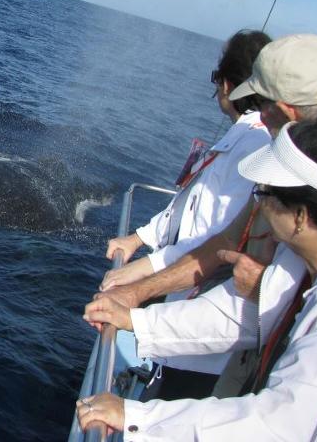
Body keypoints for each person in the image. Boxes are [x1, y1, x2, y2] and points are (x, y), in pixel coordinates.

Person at [77, 116, 317, 440]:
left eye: (264, 194)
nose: (257, 206)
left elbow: (276, 424)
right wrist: (137, 321)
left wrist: (139, 416)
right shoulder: (300, 260)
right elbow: (245, 317)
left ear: (300, 217)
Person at [98, 34, 317, 316]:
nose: (262, 115)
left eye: (266, 105)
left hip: (209, 307)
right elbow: (209, 216)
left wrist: (142, 286)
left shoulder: (259, 148)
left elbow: (223, 238)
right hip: (196, 302)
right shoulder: (250, 136)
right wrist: (140, 242)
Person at [100, 30, 272, 396]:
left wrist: (139, 281)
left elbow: (217, 243)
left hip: (204, 342)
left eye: (217, 79)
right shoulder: (242, 140)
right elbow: (191, 205)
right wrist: (139, 239)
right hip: (188, 317)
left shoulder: (252, 148)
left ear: (227, 84)